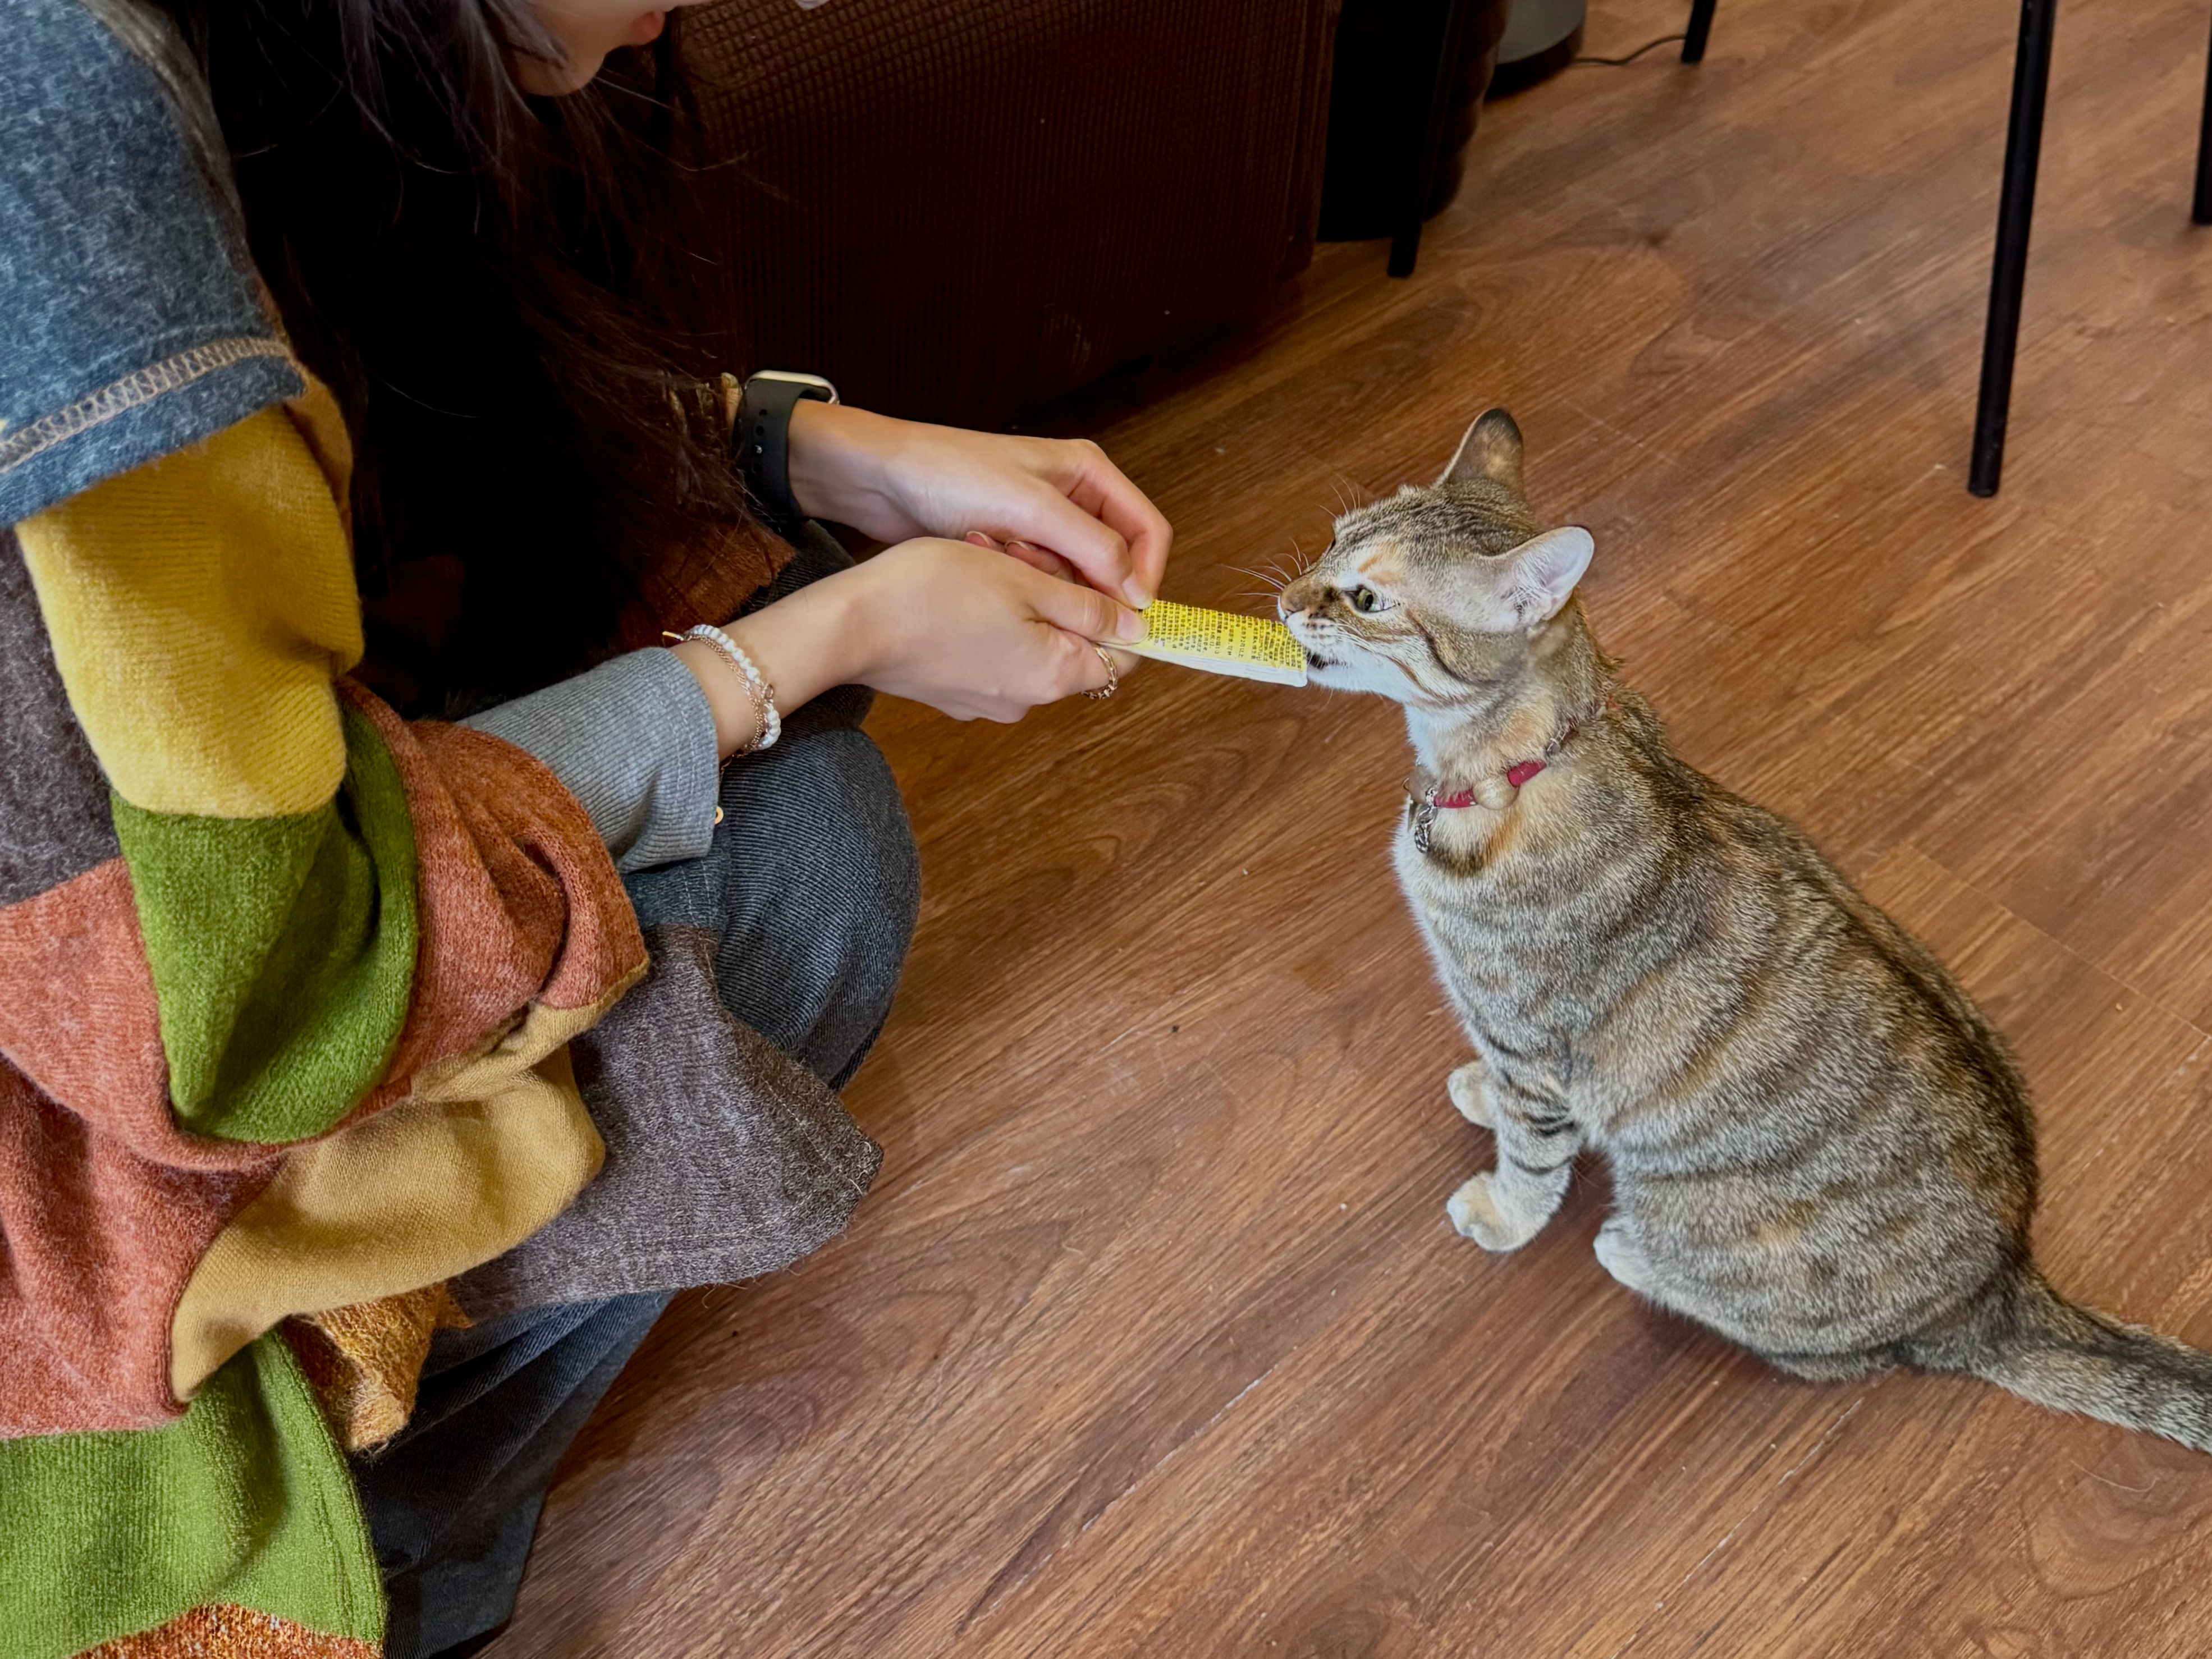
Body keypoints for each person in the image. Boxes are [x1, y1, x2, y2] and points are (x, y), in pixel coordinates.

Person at [0, 2, 1171, 1656]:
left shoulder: (261, 59)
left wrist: (813, 447)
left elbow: (400, 415)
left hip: (202, 908)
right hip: (135, 1075)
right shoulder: (61, 132)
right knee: (817, 858)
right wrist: (802, 655)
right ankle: (374, 1570)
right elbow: (276, 993)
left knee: (759, 579)